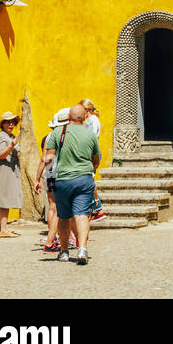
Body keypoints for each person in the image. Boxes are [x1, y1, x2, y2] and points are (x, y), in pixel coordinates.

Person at [38, 103, 101, 264]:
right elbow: (96, 159)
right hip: (84, 179)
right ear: (84, 118)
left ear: (68, 117)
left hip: (63, 180)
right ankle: (82, 249)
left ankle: (64, 251)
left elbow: (49, 158)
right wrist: (90, 171)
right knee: (81, 214)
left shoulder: (58, 132)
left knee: (64, 216)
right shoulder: (90, 135)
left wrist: (40, 177)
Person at [35, 108, 73, 252]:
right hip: (61, 174)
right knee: (59, 208)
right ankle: (51, 240)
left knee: (52, 207)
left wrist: (37, 178)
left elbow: (44, 159)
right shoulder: (67, 135)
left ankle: (55, 236)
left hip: (49, 173)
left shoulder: (50, 136)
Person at [0, 110, 22, 237]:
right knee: (4, 200)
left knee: (3, 199)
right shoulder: (1, 137)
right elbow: (1, 155)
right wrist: (11, 146)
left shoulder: (10, 137)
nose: (11, 125)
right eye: (8, 122)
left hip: (10, 170)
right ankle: (3, 230)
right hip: (5, 170)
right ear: (3, 124)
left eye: (13, 122)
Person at [80, 100, 107, 223]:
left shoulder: (92, 120)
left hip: (90, 154)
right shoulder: (92, 120)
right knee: (89, 180)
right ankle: (95, 209)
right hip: (92, 153)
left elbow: (90, 139)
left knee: (89, 180)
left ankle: (98, 209)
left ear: (86, 110)